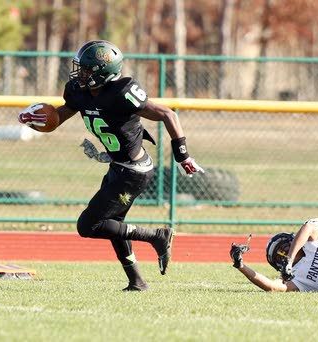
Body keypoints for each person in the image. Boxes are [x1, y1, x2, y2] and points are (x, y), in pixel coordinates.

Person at [17, 40, 204, 291]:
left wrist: (183, 155)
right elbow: (60, 116)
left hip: (134, 171)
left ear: (102, 73)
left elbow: (167, 114)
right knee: (114, 224)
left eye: (86, 70)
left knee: (88, 225)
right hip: (119, 167)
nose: (79, 73)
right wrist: (38, 119)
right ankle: (137, 281)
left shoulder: (122, 91)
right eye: (80, 68)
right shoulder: (78, 90)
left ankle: (157, 236)